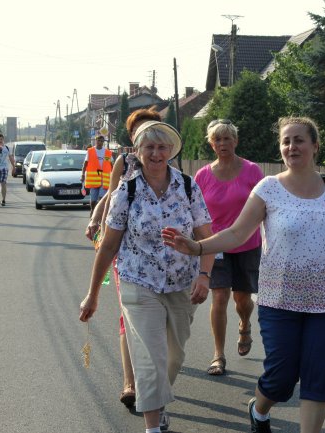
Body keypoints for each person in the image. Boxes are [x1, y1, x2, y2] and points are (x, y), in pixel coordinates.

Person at [162, 116, 325, 433]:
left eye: (299, 140)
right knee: (280, 380)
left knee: (319, 380)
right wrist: (197, 247)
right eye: (286, 141)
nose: (292, 146)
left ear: (315, 145)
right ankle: (260, 409)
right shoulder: (269, 189)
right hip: (280, 302)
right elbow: (238, 233)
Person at [79, 120, 215, 433]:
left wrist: (205, 275)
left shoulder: (188, 186)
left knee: (174, 355)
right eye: (149, 147)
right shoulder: (126, 192)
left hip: (182, 283)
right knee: (150, 355)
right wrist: (93, 293)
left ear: (170, 151)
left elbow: (206, 235)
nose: (156, 153)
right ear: (138, 152)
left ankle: (157, 400)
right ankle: (153, 425)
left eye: (161, 147)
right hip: (138, 281)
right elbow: (109, 244)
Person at [84, 107, 162, 408]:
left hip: (162, 257)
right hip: (126, 253)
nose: (149, 136)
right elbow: (112, 195)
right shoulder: (125, 162)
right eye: (141, 131)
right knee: (127, 315)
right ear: (133, 137)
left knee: (160, 319)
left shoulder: (170, 167)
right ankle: (130, 383)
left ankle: (155, 370)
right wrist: (97, 222)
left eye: (154, 128)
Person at [194, 119, 263, 376]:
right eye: (217, 140)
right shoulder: (202, 175)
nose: (223, 143)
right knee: (219, 296)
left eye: (227, 139)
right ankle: (218, 355)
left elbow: (265, 205)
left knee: (242, 299)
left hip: (247, 244)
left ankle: (245, 324)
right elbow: (195, 211)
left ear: (235, 141)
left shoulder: (252, 171)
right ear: (212, 144)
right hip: (216, 245)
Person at [81, 134, 113, 216]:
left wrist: (114, 175)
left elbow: (111, 164)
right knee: (93, 199)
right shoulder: (90, 151)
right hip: (94, 179)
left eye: (102, 141)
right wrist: (82, 174)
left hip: (104, 179)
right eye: (98, 140)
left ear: (103, 142)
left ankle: (99, 215)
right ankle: (92, 211)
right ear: (95, 141)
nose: (100, 142)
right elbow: (85, 164)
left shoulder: (107, 152)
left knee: (101, 198)